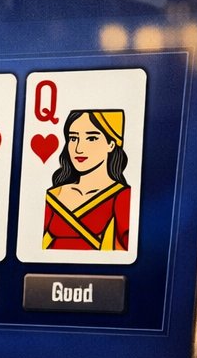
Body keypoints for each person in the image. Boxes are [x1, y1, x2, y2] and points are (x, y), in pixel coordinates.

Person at [42, 108, 132, 252]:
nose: (78, 148)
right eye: (73, 138)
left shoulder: (122, 196)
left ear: (111, 144)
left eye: (91, 138)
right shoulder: (53, 195)